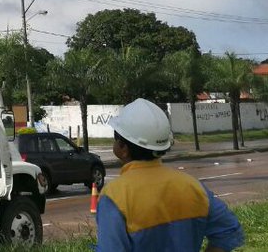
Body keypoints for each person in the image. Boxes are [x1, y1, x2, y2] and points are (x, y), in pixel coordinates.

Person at [96, 99, 244, 252]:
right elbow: (229, 231)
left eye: (115, 139)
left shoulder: (114, 196)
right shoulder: (193, 186)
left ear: (123, 148)